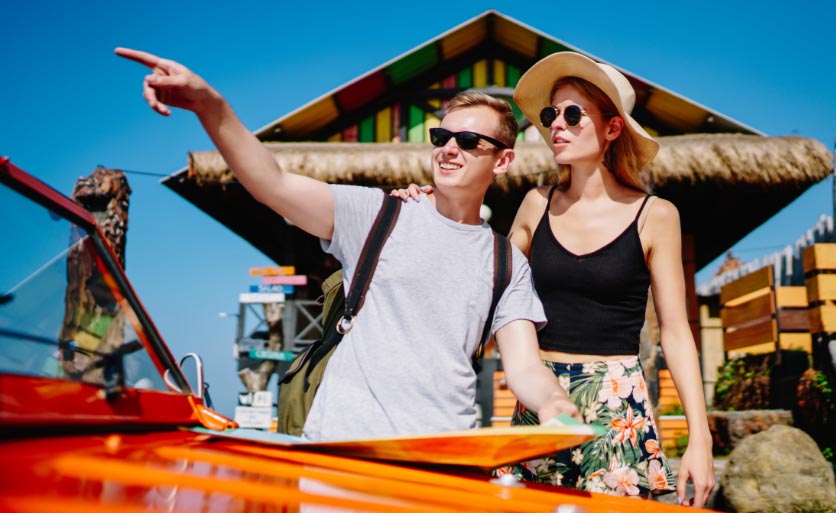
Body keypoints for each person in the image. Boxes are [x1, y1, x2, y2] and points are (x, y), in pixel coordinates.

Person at [115, 48, 580, 442]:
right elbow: (271, 183)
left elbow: (522, 366)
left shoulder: (506, 263)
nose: (448, 149)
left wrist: (555, 402)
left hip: (443, 453)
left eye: (468, 140)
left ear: (503, 160)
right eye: (441, 136)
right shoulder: (377, 215)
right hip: (341, 449)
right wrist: (211, 107)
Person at [393, 52, 715, 507]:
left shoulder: (656, 216)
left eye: (571, 114)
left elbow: (678, 334)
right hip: (539, 400)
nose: (555, 125)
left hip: (617, 407)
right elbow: (480, 280)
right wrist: (430, 208)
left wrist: (699, 440)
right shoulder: (534, 205)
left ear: (612, 128)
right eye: (550, 115)